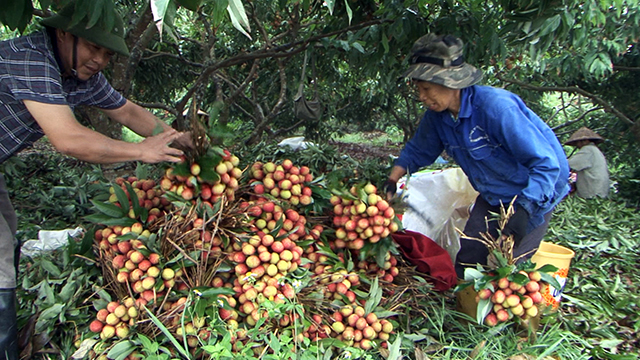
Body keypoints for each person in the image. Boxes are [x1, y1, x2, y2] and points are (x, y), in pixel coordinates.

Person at [0, 3, 191, 359]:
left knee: (8, 234)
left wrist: (179, 140)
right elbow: (68, 138)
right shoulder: (31, 59)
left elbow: (127, 111)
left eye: (106, 53)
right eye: (93, 47)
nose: (99, 60)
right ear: (63, 34)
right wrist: (141, 152)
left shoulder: (77, 72)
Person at [383, 34, 570, 279]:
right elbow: (419, 150)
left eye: (426, 88)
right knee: (471, 254)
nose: (421, 97)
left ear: (449, 83)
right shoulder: (438, 117)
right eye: (419, 89)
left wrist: (525, 209)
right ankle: (463, 306)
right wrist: (391, 180)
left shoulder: (496, 108)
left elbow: (545, 163)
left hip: (532, 193)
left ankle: (502, 311)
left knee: (510, 267)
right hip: (493, 193)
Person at [565, 127, 610, 198]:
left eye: (577, 142)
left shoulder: (587, 150)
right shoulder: (595, 150)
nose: (577, 145)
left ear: (585, 141)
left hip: (592, 191)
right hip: (600, 190)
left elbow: (568, 165)